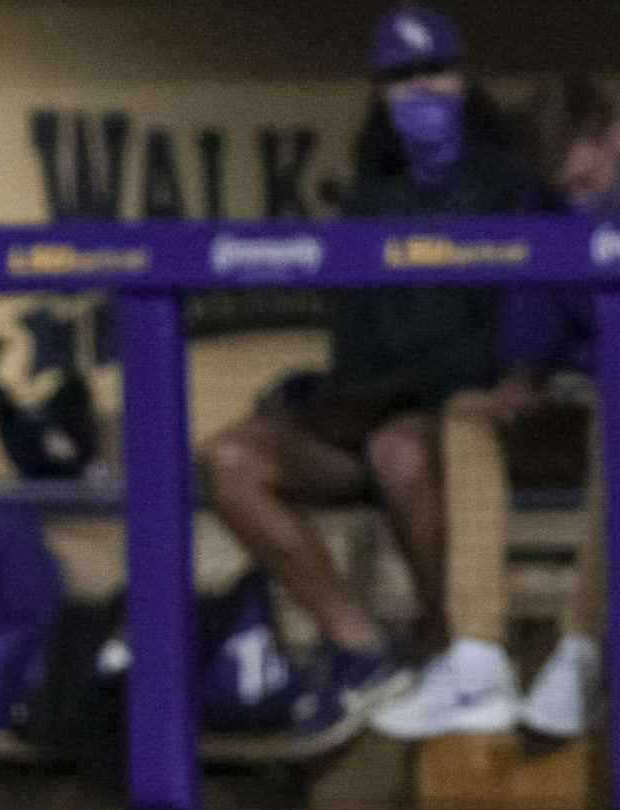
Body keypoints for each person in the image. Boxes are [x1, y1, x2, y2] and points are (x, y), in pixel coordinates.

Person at [200, 5, 551, 729]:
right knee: (231, 457)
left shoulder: (511, 188)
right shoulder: (368, 202)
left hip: (467, 426)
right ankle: (359, 646)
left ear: (463, 80)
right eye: (402, 78)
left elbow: (508, 344)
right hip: (372, 422)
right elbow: (355, 352)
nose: (422, 91)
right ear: (380, 94)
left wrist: (409, 388)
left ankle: (452, 649)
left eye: (435, 72)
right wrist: (332, 403)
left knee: (401, 447)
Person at [381, 76, 617, 740]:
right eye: (561, 185)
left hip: (614, 403)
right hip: (570, 397)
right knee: (467, 414)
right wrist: (523, 374)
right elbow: (529, 322)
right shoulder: (538, 204)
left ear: (611, 135)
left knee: (618, 418)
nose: (576, 195)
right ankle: (478, 657)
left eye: (585, 176)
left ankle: (583, 647)